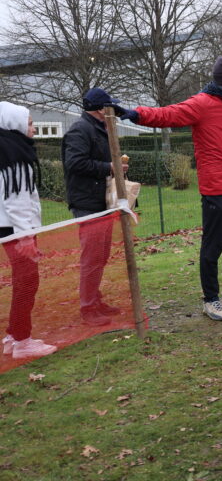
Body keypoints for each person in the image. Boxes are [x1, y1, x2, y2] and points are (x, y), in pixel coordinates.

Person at [120, 56, 222, 322]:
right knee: (212, 247)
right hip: (216, 189)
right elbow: (168, 114)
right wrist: (137, 114)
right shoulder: (201, 104)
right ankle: (211, 299)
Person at [61, 88, 129, 326]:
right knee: (92, 257)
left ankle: (96, 300)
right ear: (101, 109)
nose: (112, 110)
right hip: (87, 202)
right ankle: (87, 308)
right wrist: (108, 167)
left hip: (102, 200)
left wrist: (114, 167)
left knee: (101, 255)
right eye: (110, 106)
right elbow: (74, 163)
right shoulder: (80, 130)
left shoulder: (98, 128)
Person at [0, 102, 57, 359]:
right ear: (15, 123)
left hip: (9, 228)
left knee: (24, 281)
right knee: (27, 282)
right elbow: (16, 199)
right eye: (30, 123)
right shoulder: (14, 155)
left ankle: (13, 335)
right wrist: (25, 237)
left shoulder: (6, 149)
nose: (33, 128)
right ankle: (23, 340)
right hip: (16, 230)